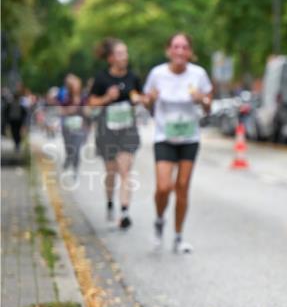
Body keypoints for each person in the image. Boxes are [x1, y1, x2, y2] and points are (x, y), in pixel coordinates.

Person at [143, 33, 212, 254]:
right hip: (164, 137)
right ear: (168, 51)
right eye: (176, 47)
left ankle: (178, 236)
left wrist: (202, 99)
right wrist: (150, 99)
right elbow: (146, 103)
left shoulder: (198, 74)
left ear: (190, 52)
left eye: (184, 47)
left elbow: (209, 106)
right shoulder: (157, 74)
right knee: (163, 187)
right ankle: (159, 219)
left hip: (189, 138)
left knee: (182, 187)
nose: (180, 51)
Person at [89, 37, 142, 230]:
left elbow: (141, 96)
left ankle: (125, 212)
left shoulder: (133, 77)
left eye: (125, 53)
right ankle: (110, 202)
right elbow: (91, 103)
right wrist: (106, 98)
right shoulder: (102, 78)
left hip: (128, 128)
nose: (124, 57)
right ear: (110, 58)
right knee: (111, 171)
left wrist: (139, 98)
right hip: (107, 130)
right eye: (120, 53)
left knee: (125, 170)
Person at [59, 74, 89, 176]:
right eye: (72, 85)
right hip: (67, 126)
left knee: (76, 148)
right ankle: (68, 159)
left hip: (80, 127)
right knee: (69, 147)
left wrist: (85, 110)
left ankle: (75, 169)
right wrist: (69, 110)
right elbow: (60, 110)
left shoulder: (84, 97)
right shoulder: (65, 97)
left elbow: (87, 111)